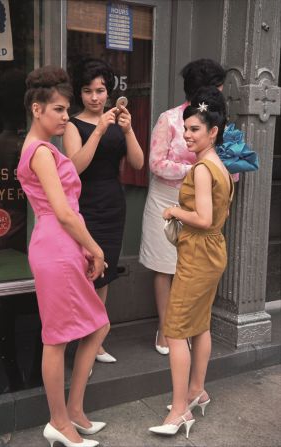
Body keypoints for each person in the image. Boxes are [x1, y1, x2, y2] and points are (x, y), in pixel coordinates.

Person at [17, 65, 110, 447]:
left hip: (62, 246)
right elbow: (64, 211)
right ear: (37, 109)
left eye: (65, 109)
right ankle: (59, 420)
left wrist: (84, 247)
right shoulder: (39, 151)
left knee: (96, 326)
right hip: (57, 246)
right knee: (56, 339)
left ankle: (73, 411)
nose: (64, 116)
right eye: (57, 109)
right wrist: (95, 247)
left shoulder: (46, 148)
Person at [149, 86, 234, 438]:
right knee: (200, 325)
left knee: (175, 330)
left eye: (195, 129)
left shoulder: (201, 169)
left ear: (213, 131)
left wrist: (173, 210)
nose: (187, 134)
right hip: (213, 250)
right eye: (185, 129)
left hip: (199, 251)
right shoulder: (220, 167)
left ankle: (181, 410)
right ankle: (197, 390)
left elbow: (201, 216)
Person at [139, 59, 226, 354]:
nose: (221, 92)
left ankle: (185, 327)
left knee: (189, 267)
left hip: (201, 204)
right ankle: (166, 329)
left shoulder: (215, 122)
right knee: (165, 267)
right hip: (167, 199)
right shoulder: (169, 119)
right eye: (217, 87)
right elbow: (155, 163)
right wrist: (197, 170)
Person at [63, 58, 143, 363]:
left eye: (100, 90)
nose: (95, 97)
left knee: (105, 274)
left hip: (113, 204)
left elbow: (137, 163)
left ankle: (96, 341)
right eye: (87, 91)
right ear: (79, 93)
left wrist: (129, 130)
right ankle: (83, 341)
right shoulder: (73, 124)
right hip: (84, 206)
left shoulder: (118, 122)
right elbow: (74, 168)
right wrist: (98, 131)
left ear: (108, 90)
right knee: (85, 273)